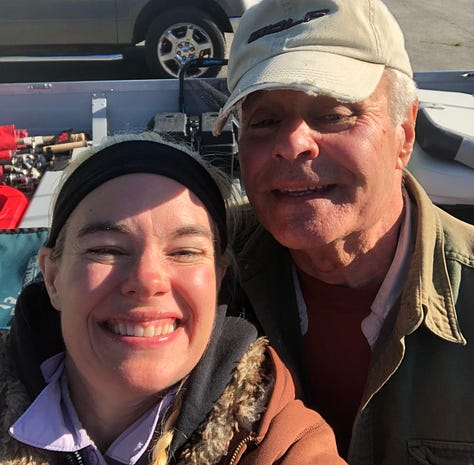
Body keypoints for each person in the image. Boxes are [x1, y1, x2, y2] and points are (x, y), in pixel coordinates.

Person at [213, 0, 474, 463]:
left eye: (333, 114)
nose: (293, 144)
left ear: (405, 133)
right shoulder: (201, 272)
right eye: (265, 120)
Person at [0, 135, 348, 465]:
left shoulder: (277, 438)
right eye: (106, 249)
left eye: (184, 252)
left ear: (218, 279)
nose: (147, 280)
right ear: (52, 277)